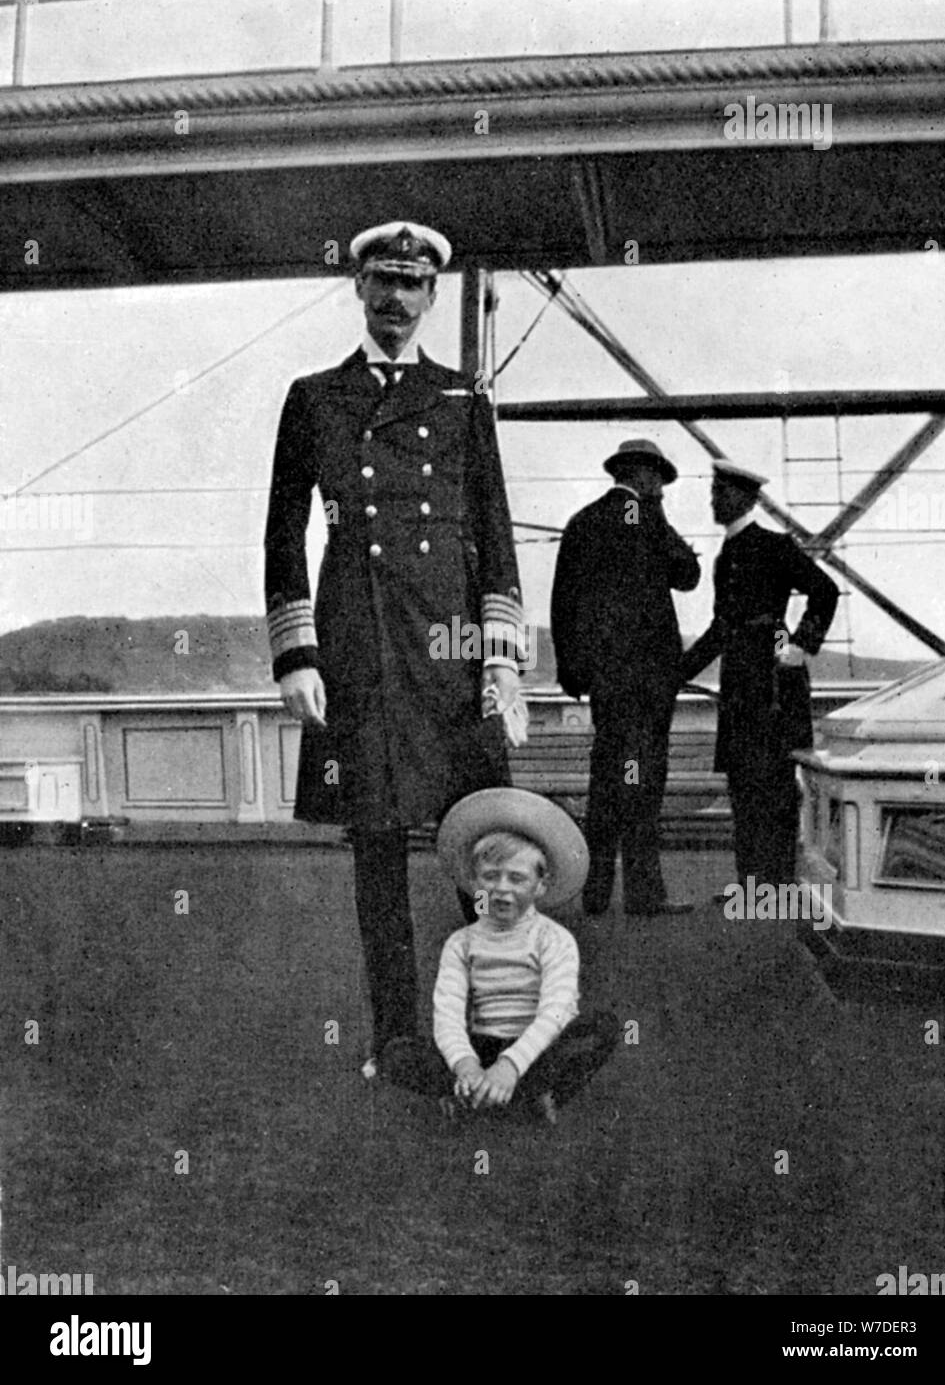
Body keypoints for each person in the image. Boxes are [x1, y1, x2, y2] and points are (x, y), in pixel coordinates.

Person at [263, 221, 526, 1075]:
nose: (396, 300)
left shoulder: (461, 399)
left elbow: (494, 530)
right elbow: (282, 532)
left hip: (448, 645)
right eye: (382, 282)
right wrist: (297, 653)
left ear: (431, 297)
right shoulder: (313, 397)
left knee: (477, 841)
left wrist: (499, 660)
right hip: (358, 646)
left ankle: (492, 1030)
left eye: (412, 286)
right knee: (376, 847)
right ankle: (399, 1038)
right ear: (359, 290)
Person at [381, 787, 619, 1122]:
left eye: (518, 878)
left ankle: (518, 1092)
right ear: (476, 882)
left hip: (535, 1048)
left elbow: (556, 1011)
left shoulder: (555, 940)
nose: (502, 888)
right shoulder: (461, 943)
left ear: (541, 885)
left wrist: (510, 1066)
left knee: (601, 1029)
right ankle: (479, 1090)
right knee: (396, 1054)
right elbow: (447, 1014)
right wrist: (466, 1064)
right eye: (491, 877)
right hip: (482, 1047)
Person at [550, 438, 701, 919]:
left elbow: (563, 601)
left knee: (609, 775)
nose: (660, 489)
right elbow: (688, 574)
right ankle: (643, 893)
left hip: (606, 680)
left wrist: (573, 670)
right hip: (650, 679)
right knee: (644, 777)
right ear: (648, 478)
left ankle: (594, 892)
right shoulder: (649, 520)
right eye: (659, 481)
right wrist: (669, 529)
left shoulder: (582, 522)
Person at [680, 461, 839, 890]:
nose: (713, 500)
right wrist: (679, 672)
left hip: (773, 682)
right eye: (714, 492)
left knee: (775, 784)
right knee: (743, 783)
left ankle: (779, 883)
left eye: (721, 493)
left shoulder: (775, 545)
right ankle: (752, 884)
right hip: (739, 683)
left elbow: (824, 591)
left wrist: (799, 647)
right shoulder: (725, 555)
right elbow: (720, 628)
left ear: (745, 498)